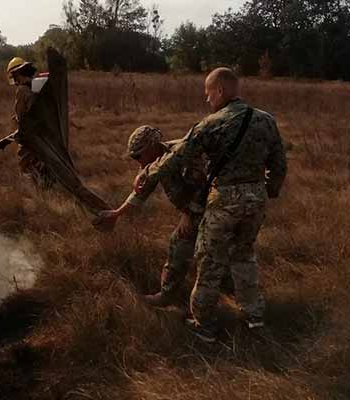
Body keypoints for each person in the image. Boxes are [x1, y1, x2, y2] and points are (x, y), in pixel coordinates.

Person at [101, 67, 287, 343]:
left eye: (208, 93)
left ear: (220, 91)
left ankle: (204, 327)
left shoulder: (212, 124)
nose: (207, 100)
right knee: (244, 256)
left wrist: (147, 173)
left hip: (223, 200)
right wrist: (267, 189)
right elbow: (279, 164)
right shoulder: (266, 120)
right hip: (256, 200)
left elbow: (177, 157)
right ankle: (254, 317)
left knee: (208, 263)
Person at [94, 125, 225, 305]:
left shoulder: (181, 154)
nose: (138, 161)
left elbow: (205, 185)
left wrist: (189, 214)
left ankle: (171, 297)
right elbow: (140, 192)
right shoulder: (154, 164)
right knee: (213, 252)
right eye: (134, 157)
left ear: (152, 147)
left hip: (216, 207)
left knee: (182, 245)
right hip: (199, 211)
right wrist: (116, 214)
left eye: (139, 155)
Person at [5, 57, 54, 187]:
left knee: (26, 165)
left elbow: (22, 115)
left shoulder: (22, 90)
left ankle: (36, 193)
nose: (14, 80)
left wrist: (18, 127)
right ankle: (47, 187)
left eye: (14, 76)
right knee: (40, 162)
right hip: (43, 133)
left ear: (17, 75)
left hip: (30, 136)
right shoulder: (35, 86)